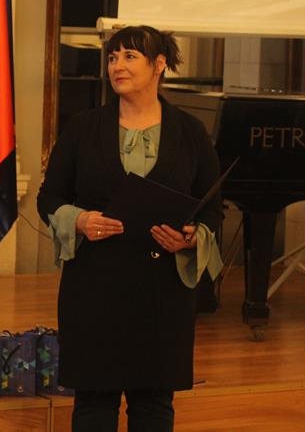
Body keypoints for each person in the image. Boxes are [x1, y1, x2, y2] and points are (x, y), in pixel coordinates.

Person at [37, 25, 224, 432]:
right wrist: (80, 220)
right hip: (94, 286)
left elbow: (212, 209)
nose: (117, 66)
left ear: (159, 64)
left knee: (154, 404)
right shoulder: (83, 126)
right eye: (112, 57)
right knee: (93, 402)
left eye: (129, 56)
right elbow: (48, 198)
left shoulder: (190, 131)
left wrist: (190, 238)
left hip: (162, 292)